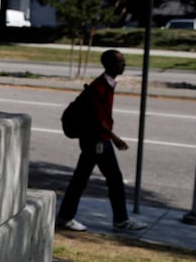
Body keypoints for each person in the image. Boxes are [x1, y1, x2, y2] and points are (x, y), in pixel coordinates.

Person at [56, 49, 147, 232]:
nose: (124, 64)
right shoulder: (99, 87)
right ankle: (121, 221)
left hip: (96, 139)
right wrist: (115, 138)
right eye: (120, 62)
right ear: (110, 65)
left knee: (81, 179)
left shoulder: (107, 84)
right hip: (97, 141)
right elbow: (96, 119)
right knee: (113, 178)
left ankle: (65, 216)